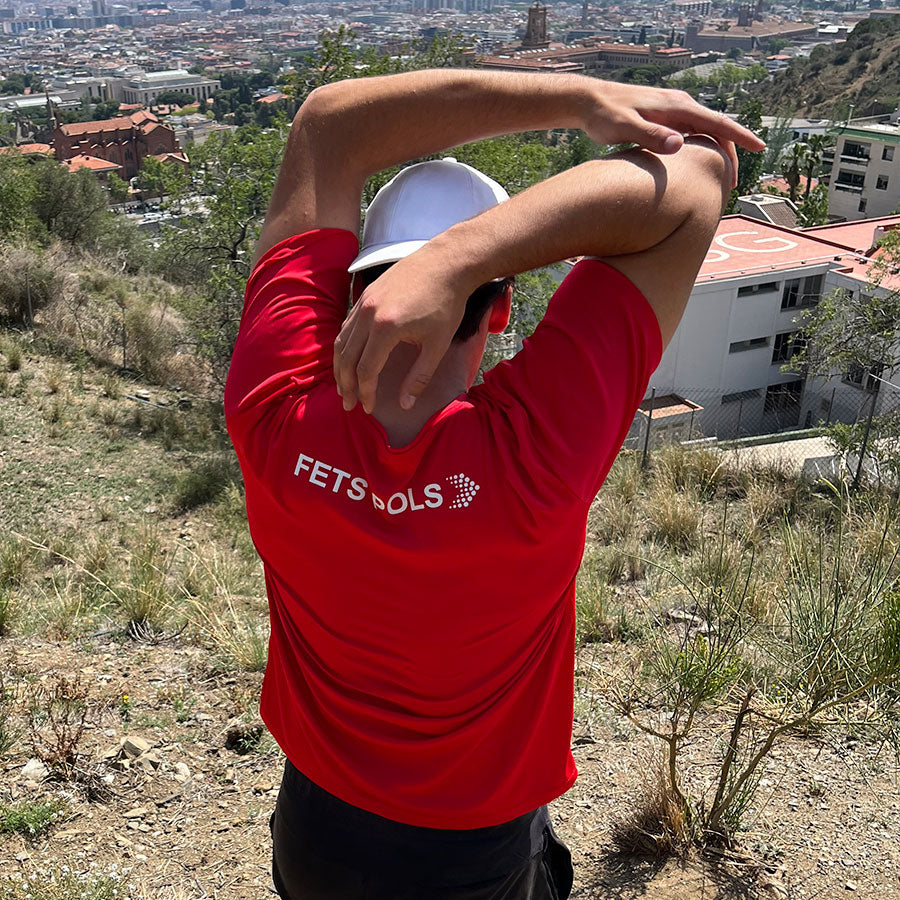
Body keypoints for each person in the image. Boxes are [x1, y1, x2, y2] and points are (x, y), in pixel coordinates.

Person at [224, 69, 764, 900]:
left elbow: (327, 128)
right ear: (502, 309)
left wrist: (570, 98)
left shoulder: (274, 414)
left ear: (351, 290)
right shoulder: (535, 454)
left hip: (317, 826)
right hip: (471, 852)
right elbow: (698, 173)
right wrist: (466, 255)